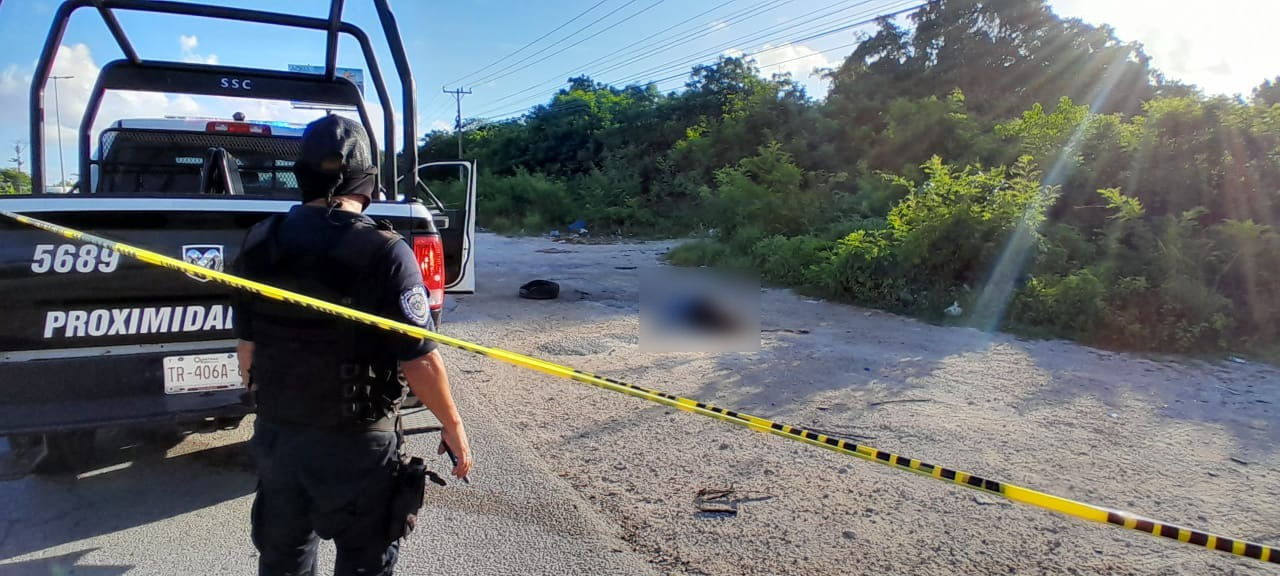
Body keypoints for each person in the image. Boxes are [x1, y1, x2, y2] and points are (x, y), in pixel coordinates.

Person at [230, 113, 472, 576]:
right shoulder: (385, 250)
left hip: (282, 437)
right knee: (365, 562)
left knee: (283, 561)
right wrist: (452, 424)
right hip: (357, 445)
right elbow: (419, 359)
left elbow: (247, 352)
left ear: (299, 173)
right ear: (369, 179)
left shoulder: (260, 241)